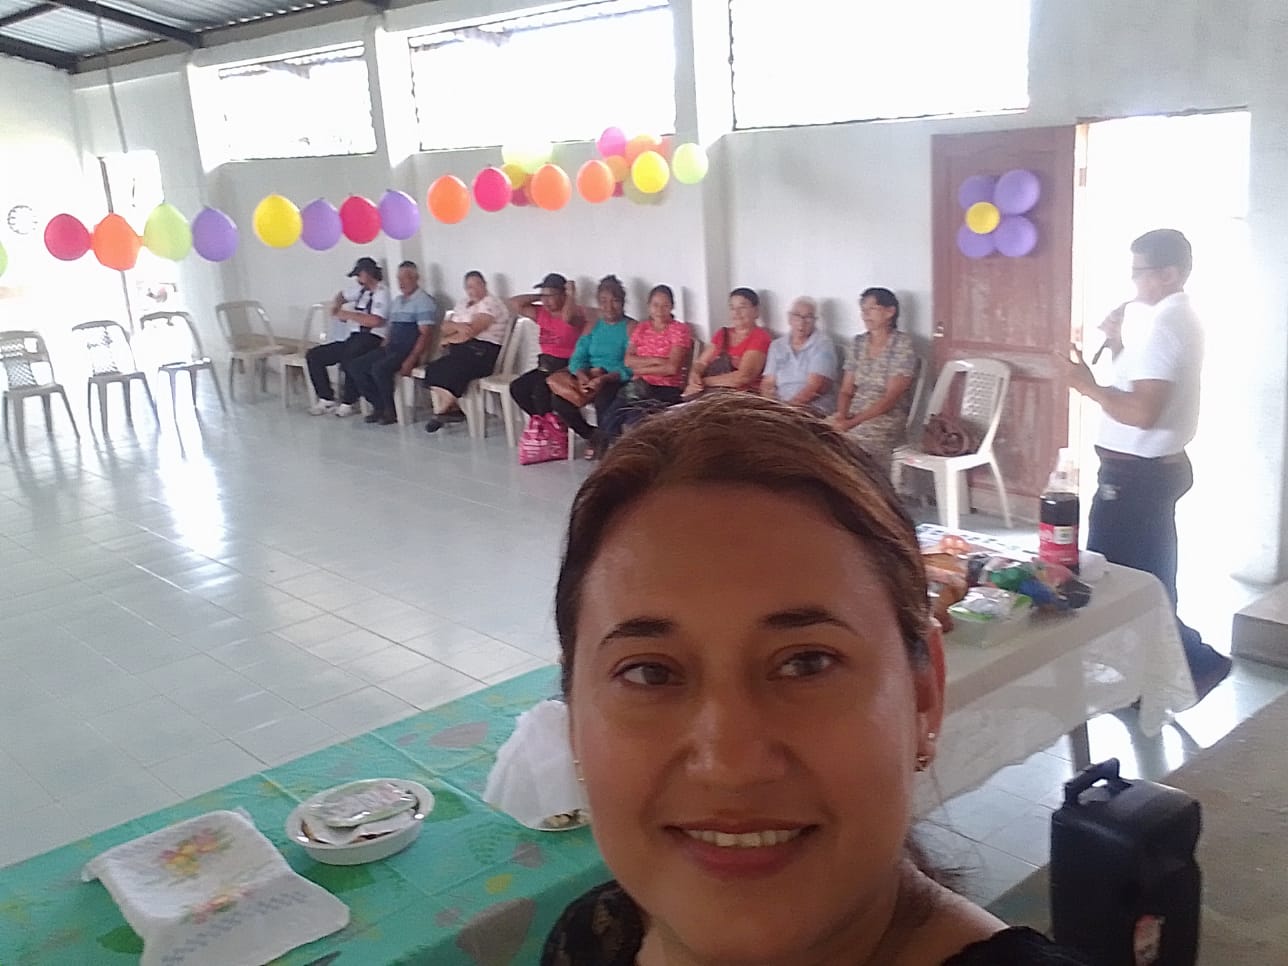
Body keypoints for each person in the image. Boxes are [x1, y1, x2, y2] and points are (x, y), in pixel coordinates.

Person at [542, 394, 1091, 966]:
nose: (731, 765)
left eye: (806, 663)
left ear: (922, 696)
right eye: (650, 672)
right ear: (574, 720)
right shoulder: (591, 935)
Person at [1062, 228, 1232, 701]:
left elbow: (1142, 412)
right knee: (1144, 574)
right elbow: (1140, 389)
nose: (1133, 281)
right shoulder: (1170, 320)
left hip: (1138, 477)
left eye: (1140, 271)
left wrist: (1085, 384)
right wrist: (1116, 345)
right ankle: (1160, 671)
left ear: (1169, 274)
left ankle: (1192, 664)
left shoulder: (1166, 326)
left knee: (1125, 580)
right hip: (1146, 471)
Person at [829, 287, 920, 473]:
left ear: (890, 311)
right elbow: (846, 390)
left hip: (885, 417)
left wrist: (852, 423)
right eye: (863, 309)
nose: (865, 315)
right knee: (818, 437)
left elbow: (890, 398)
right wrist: (842, 416)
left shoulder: (902, 344)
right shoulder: (858, 343)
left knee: (855, 447)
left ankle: (864, 487)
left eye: (872, 309)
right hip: (853, 412)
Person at [548, 275, 633, 459]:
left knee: (604, 399)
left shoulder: (631, 327)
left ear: (623, 302)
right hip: (590, 376)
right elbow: (578, 356)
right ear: (598, 303)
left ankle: (606, 448)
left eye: (615, 301)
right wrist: (581, 374)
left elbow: (631, 366)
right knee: (558, 400)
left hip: (616, 378)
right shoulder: (593, 325)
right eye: (604, 301)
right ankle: (592, 435)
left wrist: (604, 378)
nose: (609, 306)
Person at [345, 260, 437, 425]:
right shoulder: (397, 301)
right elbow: (392, 328)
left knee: (379, 368)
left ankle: (390, 410)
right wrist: (383, 346)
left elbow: (426, 334)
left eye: (406, 278)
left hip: (407, 350)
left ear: (416, 278)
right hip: (392, 347)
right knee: (356, 366)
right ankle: (379, 405)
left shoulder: (424, 301)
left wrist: (412, 359)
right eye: (399, 278)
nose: (401, 282)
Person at [598, 283, 693, 444]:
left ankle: (636, 453)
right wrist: (657, 360)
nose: (659, 310)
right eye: (655, 305)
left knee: (634, 419)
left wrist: (640, 368)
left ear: (672, 307)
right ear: (649, 306)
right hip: (638, 386)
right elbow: (628, 361)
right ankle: (612, 452)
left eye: (665, 305)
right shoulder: (642, 328)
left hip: (666, 389)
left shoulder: (679, 330)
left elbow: (672, 368)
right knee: (611, 416)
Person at [421, 270, 510, 434]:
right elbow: (445, 327)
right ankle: (452, 408)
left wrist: (448, 339)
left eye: (477, 285)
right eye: (469, 286)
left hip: (482, 351)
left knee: (455, 370)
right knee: (432, 369)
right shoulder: (463, 304)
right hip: (461, 350)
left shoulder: (490, 303)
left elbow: (471, 331)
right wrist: (457, 327)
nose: (473, 290)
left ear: (484, 285)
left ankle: (442, 411)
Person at [308, 256, 390, 416]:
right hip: (353, 337)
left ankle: (349, 401)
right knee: (315, 355)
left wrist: (349, 315)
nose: (357, 279)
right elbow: (341, 295)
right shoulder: (360, 291)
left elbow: (376, 320)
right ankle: (326, 398)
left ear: (368, 273)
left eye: (359, 275)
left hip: (372, 338)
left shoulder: (382, 293)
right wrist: (337, 306)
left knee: (350, 357)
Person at [508, 273, 586, 421]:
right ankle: (545, 423)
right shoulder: (541, 313)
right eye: (544, 296)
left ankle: (549, 426)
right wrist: (541, 296)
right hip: (545, 366)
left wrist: (570, 295)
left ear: (563, 295)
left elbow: (568, 318)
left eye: (551, 296)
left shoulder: (575, 313)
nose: (546, 301)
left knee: (540, 391)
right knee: (517, 388)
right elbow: (514, 303)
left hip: (568, 367)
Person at [682, 287, 771, 398]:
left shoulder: (760, 337)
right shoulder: (722, 333)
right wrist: (694, 376)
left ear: (756, 311)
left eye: (742, 307)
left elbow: (743, 377)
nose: (736, 313)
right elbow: (701, 362)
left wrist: (703, 382)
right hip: (712, 391)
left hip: (742, 396)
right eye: (732, 308)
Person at [760, 295, 840, 416]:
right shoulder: (777, 346)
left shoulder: (823, 344)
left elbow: (815, 387)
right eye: (797, 316)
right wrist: (771, 406)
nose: (802, 322)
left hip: (812, 407)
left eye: (808, 317)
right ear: (789, 318)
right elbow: (768, 383)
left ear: (815, 321)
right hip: (782, 407)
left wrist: (787, 411)